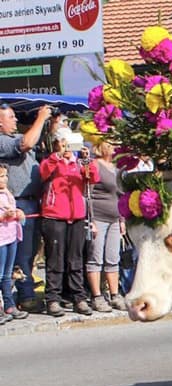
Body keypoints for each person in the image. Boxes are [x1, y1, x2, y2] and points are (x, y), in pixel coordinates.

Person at [39, 127, 99, 317]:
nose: (67, 147)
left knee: (76, 259)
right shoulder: (52, 160)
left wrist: (87, 160)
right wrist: (57, 155)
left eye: (69, 142)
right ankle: (53, 299)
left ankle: (79, 297)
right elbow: (43, 172)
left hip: (77, 217)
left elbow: (93, 178)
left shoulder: (78, 163)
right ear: (57, 143)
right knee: (55, 259)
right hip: (54, 216)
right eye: (64, 142)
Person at [0, 104, 54, 313]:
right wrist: (40, 117)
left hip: (32, 200)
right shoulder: (3, 141)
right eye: (11, 117)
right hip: (18, 203)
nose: (15, 121)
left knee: (31, 253)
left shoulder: (13, 137)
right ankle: (26, 295)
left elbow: (34, 140)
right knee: (21, 254)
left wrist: (49, 125)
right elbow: (26, 142)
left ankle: (25, 291)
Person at [85, 142, 127, 312]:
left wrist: (122, 219)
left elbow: (121, 195)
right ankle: (96, 296)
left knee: (113, 257)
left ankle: (115, 294)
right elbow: (87, 193)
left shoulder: (117, 167)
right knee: (96, 257)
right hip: (99, 217)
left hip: (115, 217)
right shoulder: (95, 165)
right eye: (111, 144)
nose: (115, 147)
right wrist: (91, 220)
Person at [0, 164, 28, 324]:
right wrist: (3, 216)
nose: (4, 179)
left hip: (11, 236)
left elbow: (16, 213)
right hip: (1, 238)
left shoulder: (7, 194)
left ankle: (9, 304)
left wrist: (18, 213)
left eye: (5, 176)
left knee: (8, 273)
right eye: (1, 177)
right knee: (0, 273)